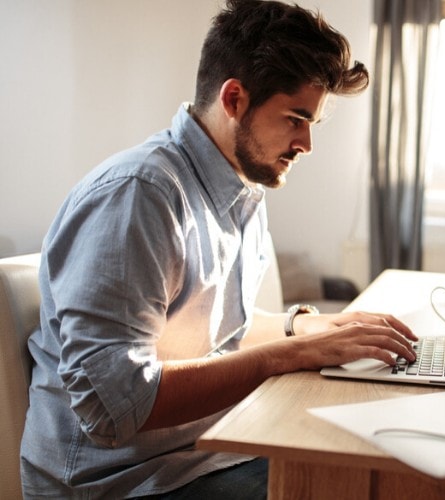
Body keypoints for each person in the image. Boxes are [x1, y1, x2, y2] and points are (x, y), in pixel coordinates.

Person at [20, 1, 417, 498]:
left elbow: (216, 336)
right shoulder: (139, 195)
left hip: (201, 453)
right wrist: (290, 354)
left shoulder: (242, 188)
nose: (307, 143)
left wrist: (302, 326)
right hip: (123, 481)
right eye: (296, 118)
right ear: (234, 99)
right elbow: (113, 407)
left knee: (381, 457)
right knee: (355, 485)